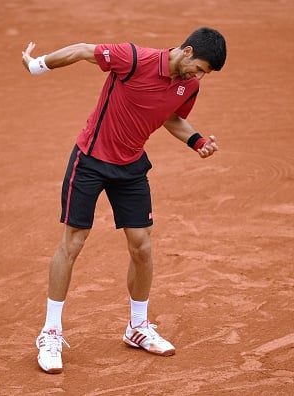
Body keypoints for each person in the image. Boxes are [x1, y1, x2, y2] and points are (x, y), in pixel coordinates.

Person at [21, 26, 226, 374]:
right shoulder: (133, 59)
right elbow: (84, 49)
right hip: (90, 160)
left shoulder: (189, 86)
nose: (199, 76)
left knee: (142, 246)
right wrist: (38, 65)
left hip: (130, 167)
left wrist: (196, 141)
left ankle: (137, 328)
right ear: (188, 52)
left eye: (204, 74)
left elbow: (171, 117)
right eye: (201, 68)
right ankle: (51, 332)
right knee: (73, 242)